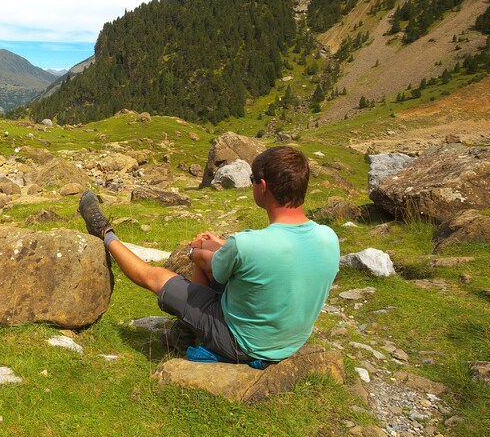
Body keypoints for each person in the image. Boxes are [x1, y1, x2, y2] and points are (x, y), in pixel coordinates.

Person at [78, 145, 340, 366]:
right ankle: (182, 333)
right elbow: (275, 254)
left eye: (251, 180)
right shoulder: (329, 238)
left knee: (155, 276)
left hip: (242, 343)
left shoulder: (247, 244)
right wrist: (220, 243)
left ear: (263, 186)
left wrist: (195, 251)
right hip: (288, 343)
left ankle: (104, 231)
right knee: (211, 261)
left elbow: (209, 264)